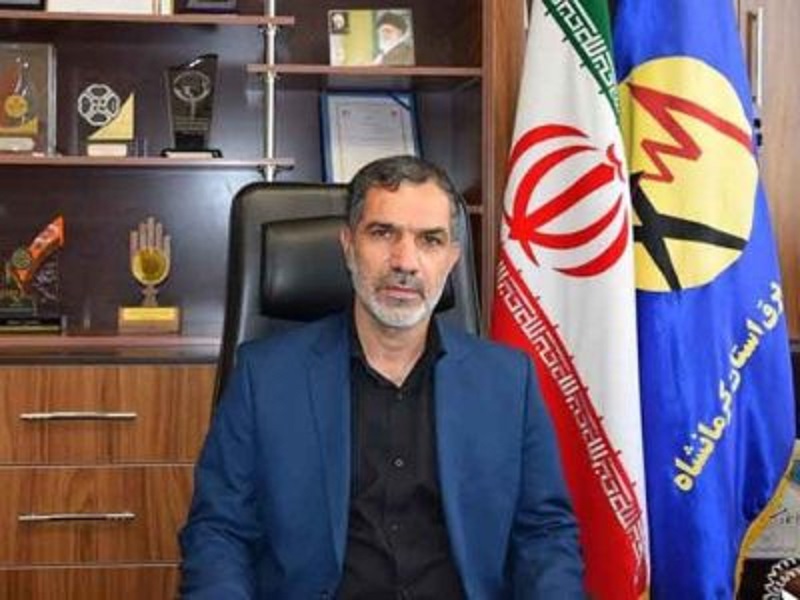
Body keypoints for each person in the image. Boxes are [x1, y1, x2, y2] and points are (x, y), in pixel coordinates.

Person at [179, 155, 586, 599]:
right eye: (383, 233)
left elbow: (544, 534)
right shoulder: (266, 378)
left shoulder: (507, 382)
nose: (405, 261)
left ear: (451, 258)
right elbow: (220, 532)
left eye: (430, 240)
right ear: (348, 245)